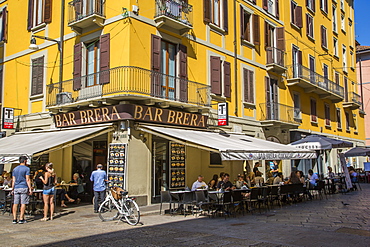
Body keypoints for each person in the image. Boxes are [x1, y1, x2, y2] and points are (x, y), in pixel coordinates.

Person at [12, 156, 33, 224]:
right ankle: (21, 218)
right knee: (23, 203)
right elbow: (27, 179)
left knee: (15, 203)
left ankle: (14, 218)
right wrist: (30, 188)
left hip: (16, 187)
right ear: (25, 161)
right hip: (23, 186)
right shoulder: (27, 169)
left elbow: (13, 180)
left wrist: (12, 188)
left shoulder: (15, 169)